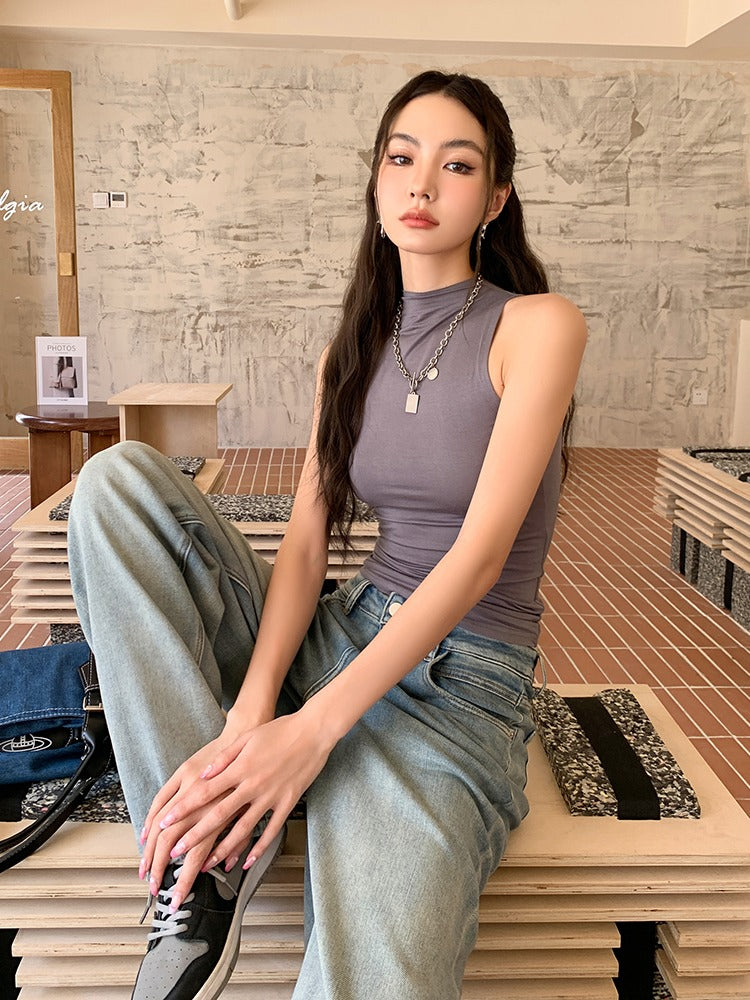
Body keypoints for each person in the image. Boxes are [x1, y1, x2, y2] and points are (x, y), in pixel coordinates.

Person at [68, 70, 586, 1000]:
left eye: (457, 165)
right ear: (377, 182)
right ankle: (200, 867)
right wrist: (251, 714)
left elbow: (479, 560)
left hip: (460, 683)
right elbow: (306, 548)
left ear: (495, 199)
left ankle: (226, 823)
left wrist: (312, 731)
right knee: (117, 484)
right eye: (402, 158)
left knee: (375, 983)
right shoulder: (347, 350)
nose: (422, 184)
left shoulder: (537, 327)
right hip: (340, 632)